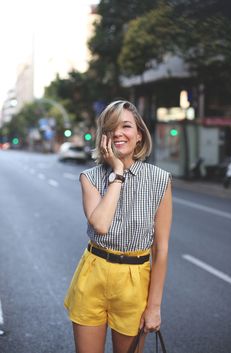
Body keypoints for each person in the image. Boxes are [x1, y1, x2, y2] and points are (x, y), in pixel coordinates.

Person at [64, 100, 172, 353]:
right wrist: (118, 172)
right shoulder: (89, 178)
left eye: (126, 126)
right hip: (93, 275)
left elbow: (162, 249)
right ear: (104, 137)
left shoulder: (160, 180)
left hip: (134, 281)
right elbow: (101, 225)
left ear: (139, 135)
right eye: (111, 128)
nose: (118, 133)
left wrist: (154, 307)